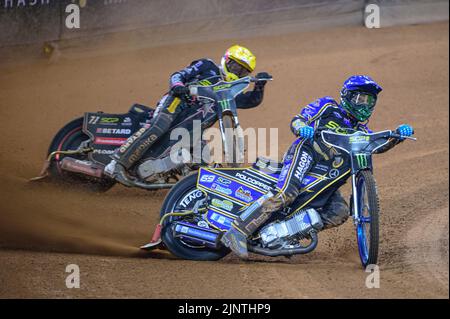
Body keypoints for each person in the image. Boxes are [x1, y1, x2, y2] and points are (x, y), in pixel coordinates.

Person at [221, 75, 415, 259]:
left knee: (339, 211)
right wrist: (301, 127)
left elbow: (375, 146)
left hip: (326, 177)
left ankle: (284, 235)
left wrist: (397, 137)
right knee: (286, 192)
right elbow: (298, 119)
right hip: (307, 152)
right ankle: (237, 231)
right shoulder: (328, 106)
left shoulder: (360, 131)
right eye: (361, 98)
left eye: (370, 100)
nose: (365, 105)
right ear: (348, 96)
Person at [104, 45, 271, 185]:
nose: (238, 71)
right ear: (227, 61)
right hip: (176, 102)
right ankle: (116, 163)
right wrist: (177, 86)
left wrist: (260, 86)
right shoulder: (207, 65)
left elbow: (251, 101)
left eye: (243, 71)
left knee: (202, 158)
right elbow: (178, 75)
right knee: (158, 126)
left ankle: (171, 180)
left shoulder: (228, 93)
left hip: (191, 127)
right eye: (236, 66)